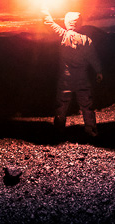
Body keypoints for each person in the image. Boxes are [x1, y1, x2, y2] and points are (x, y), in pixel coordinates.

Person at [43, 9, 104, 138]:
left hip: (66, 78)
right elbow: (93, 58)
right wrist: (99, 71)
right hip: (82, 78)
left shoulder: (62, 35)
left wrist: (44, 9)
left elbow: (49, 23)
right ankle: (91, 129)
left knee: (62, 104)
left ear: (67, 22)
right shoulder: (86, 40)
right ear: (79, 23)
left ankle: (59, 129)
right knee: (87, 105)